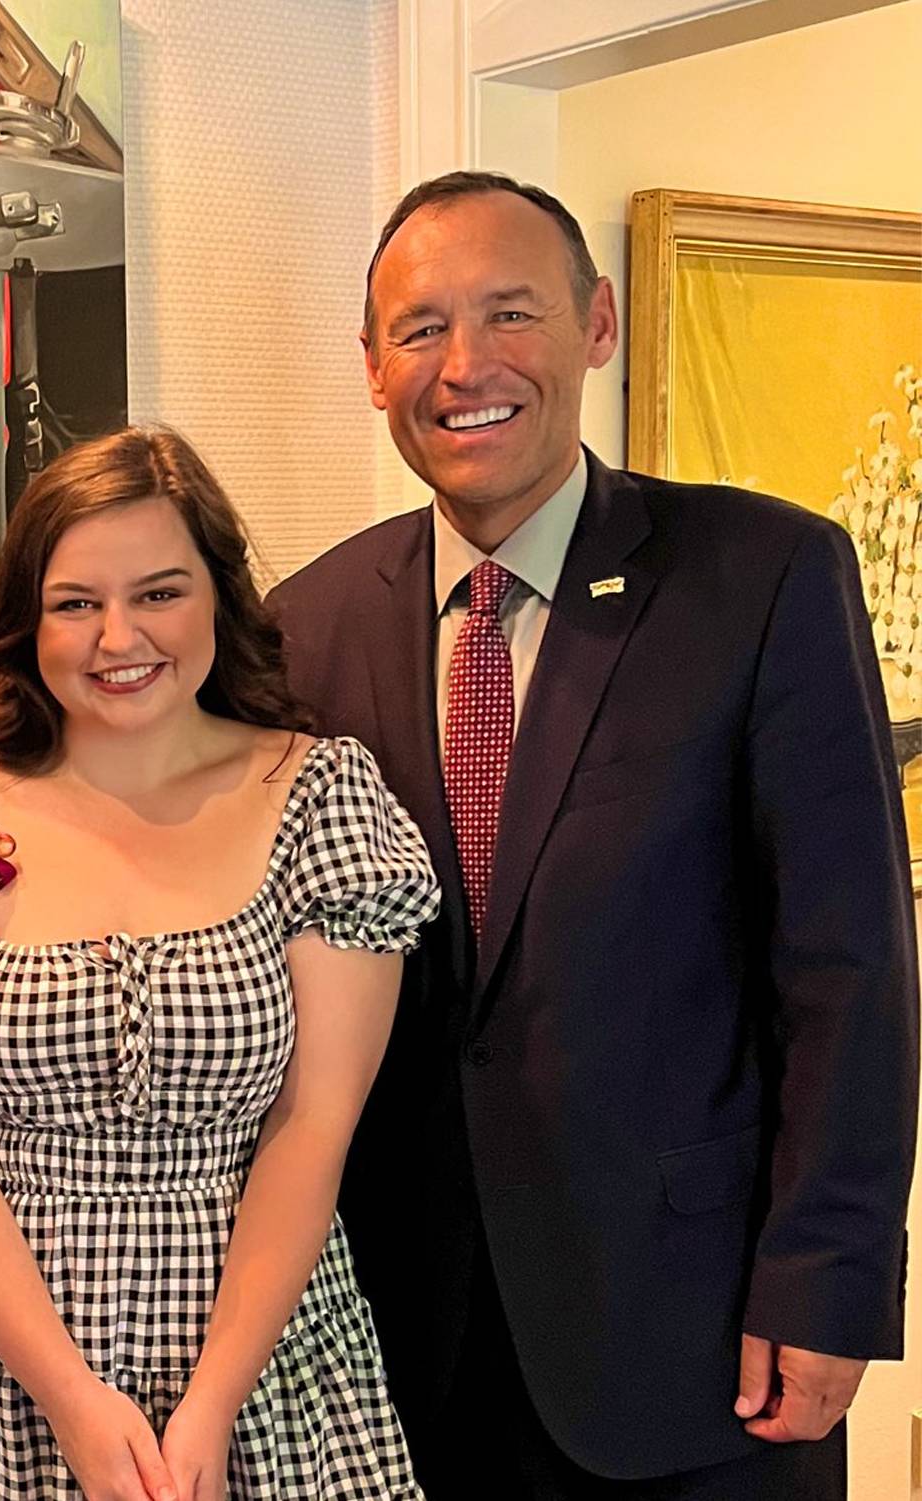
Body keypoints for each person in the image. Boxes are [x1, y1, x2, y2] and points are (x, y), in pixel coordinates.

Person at [272, 170, 918, 1497]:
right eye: (419, 330)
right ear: (371, 364)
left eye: (511, 315)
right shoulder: (308, 624)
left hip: (700, 1339)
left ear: (597, 324)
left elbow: (850, 964)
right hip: (407, 1349)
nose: (464, 369)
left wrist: (830, 1278)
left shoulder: (764, 578)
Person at [0, 426, 441, 1500]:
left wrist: (209, 1402)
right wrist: (70, 1395)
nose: (119, 637)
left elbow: (312, 1126)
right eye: (75, 602)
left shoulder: (319, 798)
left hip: (260, 1359)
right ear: (27, 617)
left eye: (159, 592)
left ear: (217, 595)